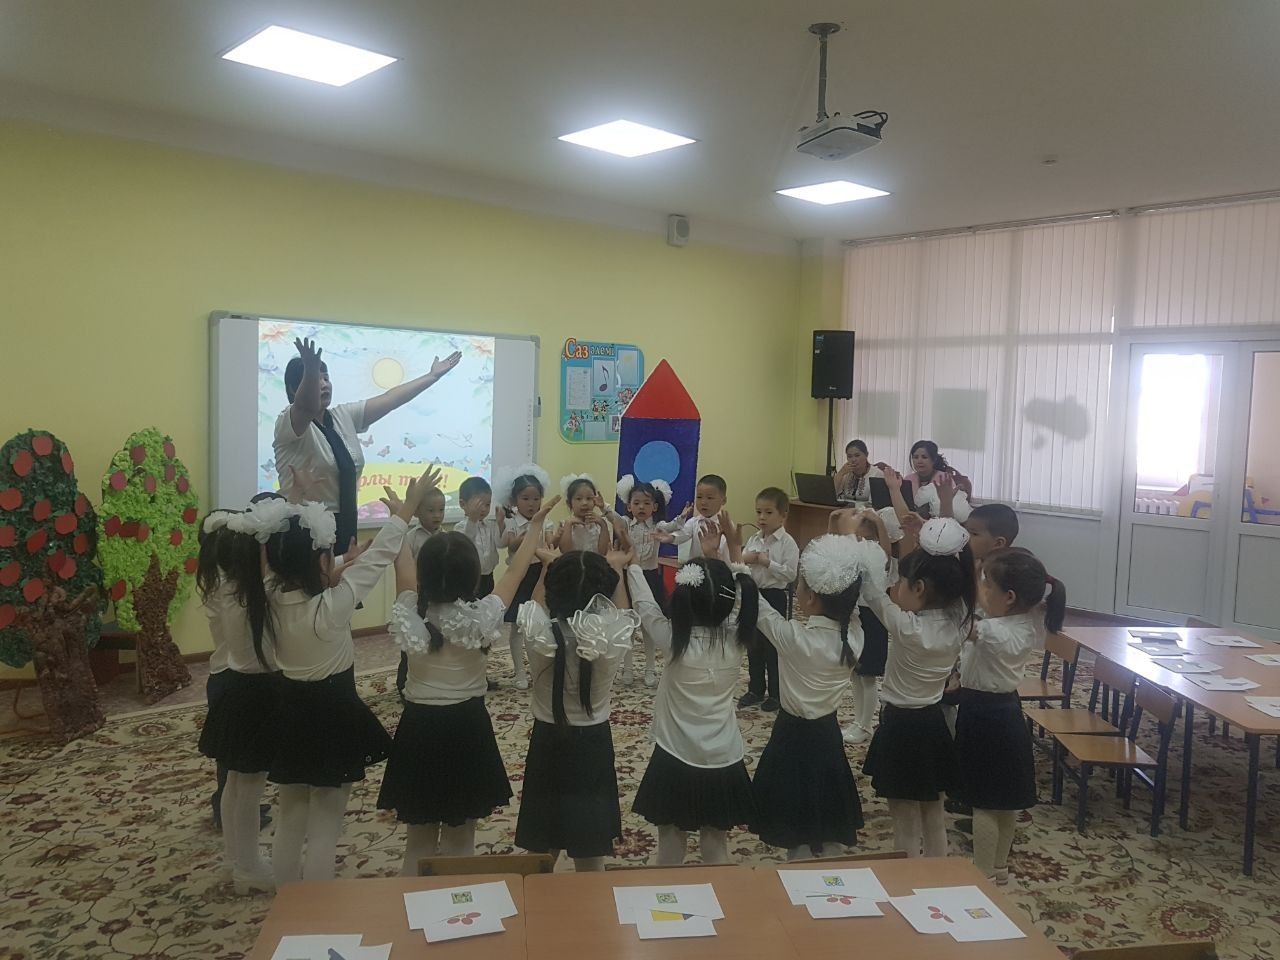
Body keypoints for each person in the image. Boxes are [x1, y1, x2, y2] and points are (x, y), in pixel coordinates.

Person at [247, 465, 440, 885]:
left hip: (290, 712)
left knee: (291, 813)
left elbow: (286, 553)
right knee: (326, 824)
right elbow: (383, 553)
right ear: (317, 560)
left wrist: (301, 507)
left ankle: (287, 901)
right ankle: (318, 905)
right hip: (331, 715)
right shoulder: (332, 605)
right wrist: (409, 505)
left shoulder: (268, 595)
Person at [379, 493, 560, 875]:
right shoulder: (484, 615)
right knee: (462, 838)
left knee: (418, 839)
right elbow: (515, 572)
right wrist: (536, 526)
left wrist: (401, 516)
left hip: (418, 728)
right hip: (467, 727)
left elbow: (403, 561)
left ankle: (411, 901)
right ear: (472, 575)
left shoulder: (410, 610)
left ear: (425, 575)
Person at [743, 529, 884, 860]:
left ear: (810, 599)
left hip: (790, 738)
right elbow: (852, 610)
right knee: (826, 812)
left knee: (794, 824)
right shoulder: (855, 637)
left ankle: (800, 871)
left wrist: (736, 561)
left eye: (801, 586)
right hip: (827, 736)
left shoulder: (795, 638)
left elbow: (758, 608)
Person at [853, 512, 975, 859]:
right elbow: (955, 578)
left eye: (901, 582)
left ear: (918, 588)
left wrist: (856, 547)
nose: (895, 588)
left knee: (904, 824)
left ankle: (906, 879)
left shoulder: (907, 627)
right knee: (934, 818)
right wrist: (932, 544)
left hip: (901, 728)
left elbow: (872, 592)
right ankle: (936, 876)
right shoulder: (961, 619)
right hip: (933, 726)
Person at [626, 548, 759, 865]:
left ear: (682, 597)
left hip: (674, 755)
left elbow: (645, 606)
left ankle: (668, 894)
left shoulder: (674, 639)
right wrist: (728, 563)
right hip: (724, 757)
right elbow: (741, 600)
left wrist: (633, 567)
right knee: (716, 847)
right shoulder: (737, 639)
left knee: (670, 847)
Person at [274, 337, 460, 556]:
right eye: (315, 379)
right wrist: (310, 369)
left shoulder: (342, 416)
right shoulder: (289, 421)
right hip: (304, 528)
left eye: (326, 378)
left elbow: (391, 399)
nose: (323, 384)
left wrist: (432, 376)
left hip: (345, 521)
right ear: (293, 389)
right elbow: (305, 406)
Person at [515, 547, 638, 871]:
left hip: (547, 743)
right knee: (590, 852)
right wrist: (618, 568)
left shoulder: (540, 635)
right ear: (603, 597)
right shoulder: (611, 639)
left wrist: (547, 565)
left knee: (542, 848)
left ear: (554, 592)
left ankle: (534, 898)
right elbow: (623, 614)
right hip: (592, 746)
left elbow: (532, 607)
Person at [953, 548, 1065, 883]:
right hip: (1004, 713)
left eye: (986, 584)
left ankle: (983, 873)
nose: (981, 589)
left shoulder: (995, 632)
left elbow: (963, 623)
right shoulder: (1022, 623)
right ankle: (999, 868)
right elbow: (979, 615)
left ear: (1009, 597)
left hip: (984, 718)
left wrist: (966, 574)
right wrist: (978, 573)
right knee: (1005, 801)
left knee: (984, 802)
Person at [196, 508, 278, 893]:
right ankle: (248, 866)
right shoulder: (253, 596)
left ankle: (236, 860)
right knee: (248, 786)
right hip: (254, 695)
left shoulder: (223, 586)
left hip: (234, 689)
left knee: (235, 783)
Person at [737, 488, 799, 713]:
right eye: (758, 512)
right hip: (753, 594)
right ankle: (755, 688)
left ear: (783, 515)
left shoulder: (787, 543)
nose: (762, 517)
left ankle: (775, 693)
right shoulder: (754, 538)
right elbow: (741, 563)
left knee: (773, 646)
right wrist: (746, 558)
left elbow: (790, 574)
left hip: (774, 597)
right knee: (753, 643)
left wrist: (767, 563)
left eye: (768, 512)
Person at [842, 507, 901, 744]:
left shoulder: (880, 555)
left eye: (867, 535)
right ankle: (859, 720)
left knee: (867, 675)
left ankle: (865, 725)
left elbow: (886, 552)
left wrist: (878, 520)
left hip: (873, 617)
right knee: (855, 673)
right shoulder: (855, 550)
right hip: (855, 614)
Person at [608, 475, 673, 687]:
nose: (641, 507)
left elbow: (673, 526)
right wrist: (604, 507)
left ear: (655, 506)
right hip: (628, 577)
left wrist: (683, 517)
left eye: (646, 503)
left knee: (649, 627)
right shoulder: (626, 524)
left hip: (650, 578)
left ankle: (650, 669)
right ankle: (627, 669)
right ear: (629, 506)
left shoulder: (658, 526)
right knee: (628, 626)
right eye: (636, 503)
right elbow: (614, 518)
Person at [495, 464, 553, 691]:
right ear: (514, 500)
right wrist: (513, 535)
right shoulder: (512, 522)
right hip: (519, 578)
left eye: (536, 498)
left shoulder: (546, 521)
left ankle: (539, 669)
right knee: (518, 628)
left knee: (540, 624)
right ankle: (520, 671)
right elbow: (505, 545)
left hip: (540, 576)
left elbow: (550, 544)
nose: (531, 504)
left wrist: (555, 536)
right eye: (525, 498)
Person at [396, 484, 447, 698]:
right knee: (412, 638)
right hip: (417, 596)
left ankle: (434, 679)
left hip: (440, 597)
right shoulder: (411, 537)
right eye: (431, 510)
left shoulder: (446, 538)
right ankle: (403, 683)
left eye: (441, 510)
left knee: (436, 637)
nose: (437, 515)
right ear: (416, 511)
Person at [895, 440, 973, 522]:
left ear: (934, 459)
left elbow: (952, 506)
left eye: (924, 457)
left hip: (939, 521)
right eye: (916, 457)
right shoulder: (908, 478)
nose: (919, 461)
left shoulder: (944, 478)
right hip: (911, 520)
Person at [662, 474, 731, 561]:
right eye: (699, 497)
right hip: (695, 567)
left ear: (723, 500)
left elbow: (728, 555)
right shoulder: (694, 522)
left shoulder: (726, 526)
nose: (703, 502)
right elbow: (683, 534)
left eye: (709, 498)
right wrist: (669, 537)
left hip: (717, 567)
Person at [558, 474, 611, 554]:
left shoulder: (600, 524)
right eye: (579, 499)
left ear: (595, 501)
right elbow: (565, 552)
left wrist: (603, 525)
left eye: (589, 498)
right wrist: (568, 525)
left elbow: (603, 552)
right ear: (569, 503)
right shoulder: (565, 524)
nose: (584, 503)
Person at [833, 439, 884, 505]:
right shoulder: (846, 473)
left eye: (857, 455)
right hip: (844, 509)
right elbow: (831, 496)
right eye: (849, 456)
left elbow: (874, 505)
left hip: (866, 510)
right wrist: (840, 474)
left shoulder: (877, 474)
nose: (853, 460)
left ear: (866, 455)